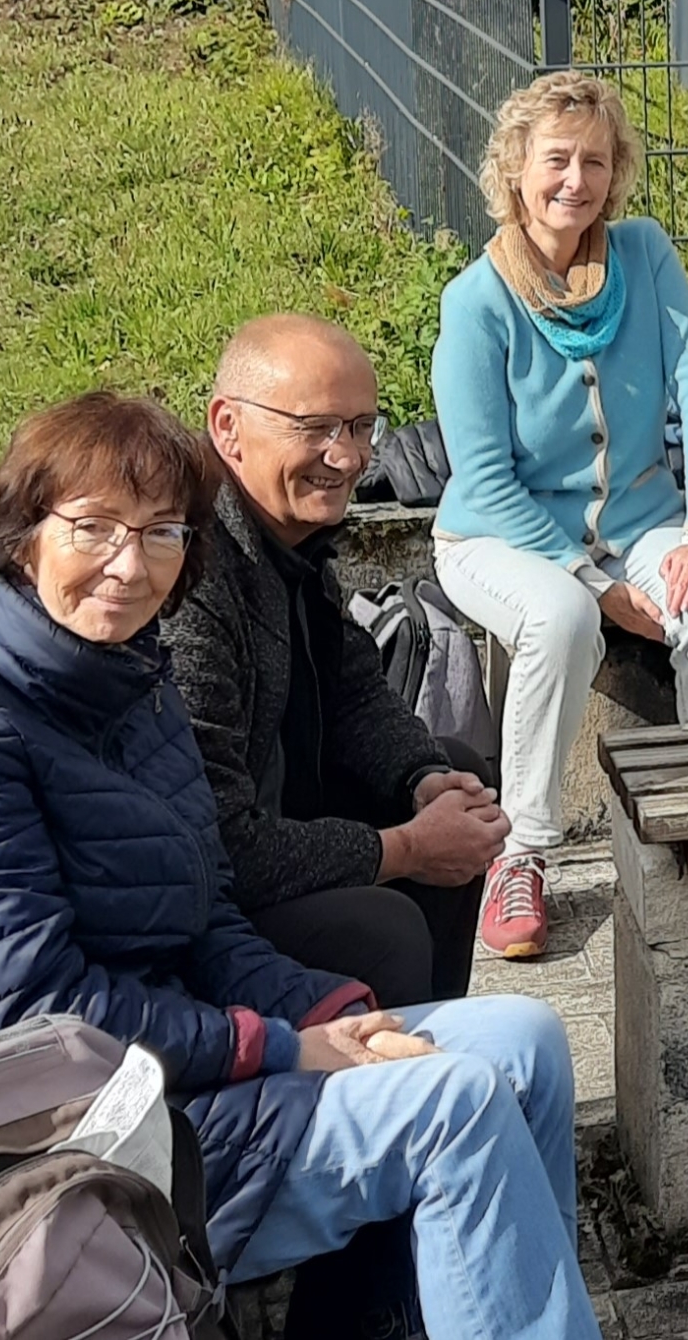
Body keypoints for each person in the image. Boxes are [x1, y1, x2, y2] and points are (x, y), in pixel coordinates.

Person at [0, 394, 597, 1340]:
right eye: (93, 528)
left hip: (173, 1069)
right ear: (22, 539)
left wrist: (333, 1015)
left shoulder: (137, 694)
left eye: (161, 534)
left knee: (525, 1039)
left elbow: (211, 915)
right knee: (456, 1102)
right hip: (51, 1136)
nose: (128, 563)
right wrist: (271, 1046)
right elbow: (29, 1020)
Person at [432, 69, 688, 959]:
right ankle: (521, 852)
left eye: (597, 162)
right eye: (558, 160)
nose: (577, 180)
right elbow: (485, 480)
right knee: (564, 615)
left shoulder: (644, 254)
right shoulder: (477, 302)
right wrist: (600, 586)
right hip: (499, 534)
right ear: (517, 168)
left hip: (643, 516)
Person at [167, 314, 507, 1011]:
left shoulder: (291, 533)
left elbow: (354, 690)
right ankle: (383, 1093)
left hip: (280, 823)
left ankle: (433, 1050)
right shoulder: (187, 578)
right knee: (385, 930)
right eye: (317, 427)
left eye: (360, 426)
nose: (349, 457)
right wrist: (406, 848)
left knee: (461, 777)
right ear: (227, 426)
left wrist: (422, 781)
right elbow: (225, 845)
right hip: (201, 904)